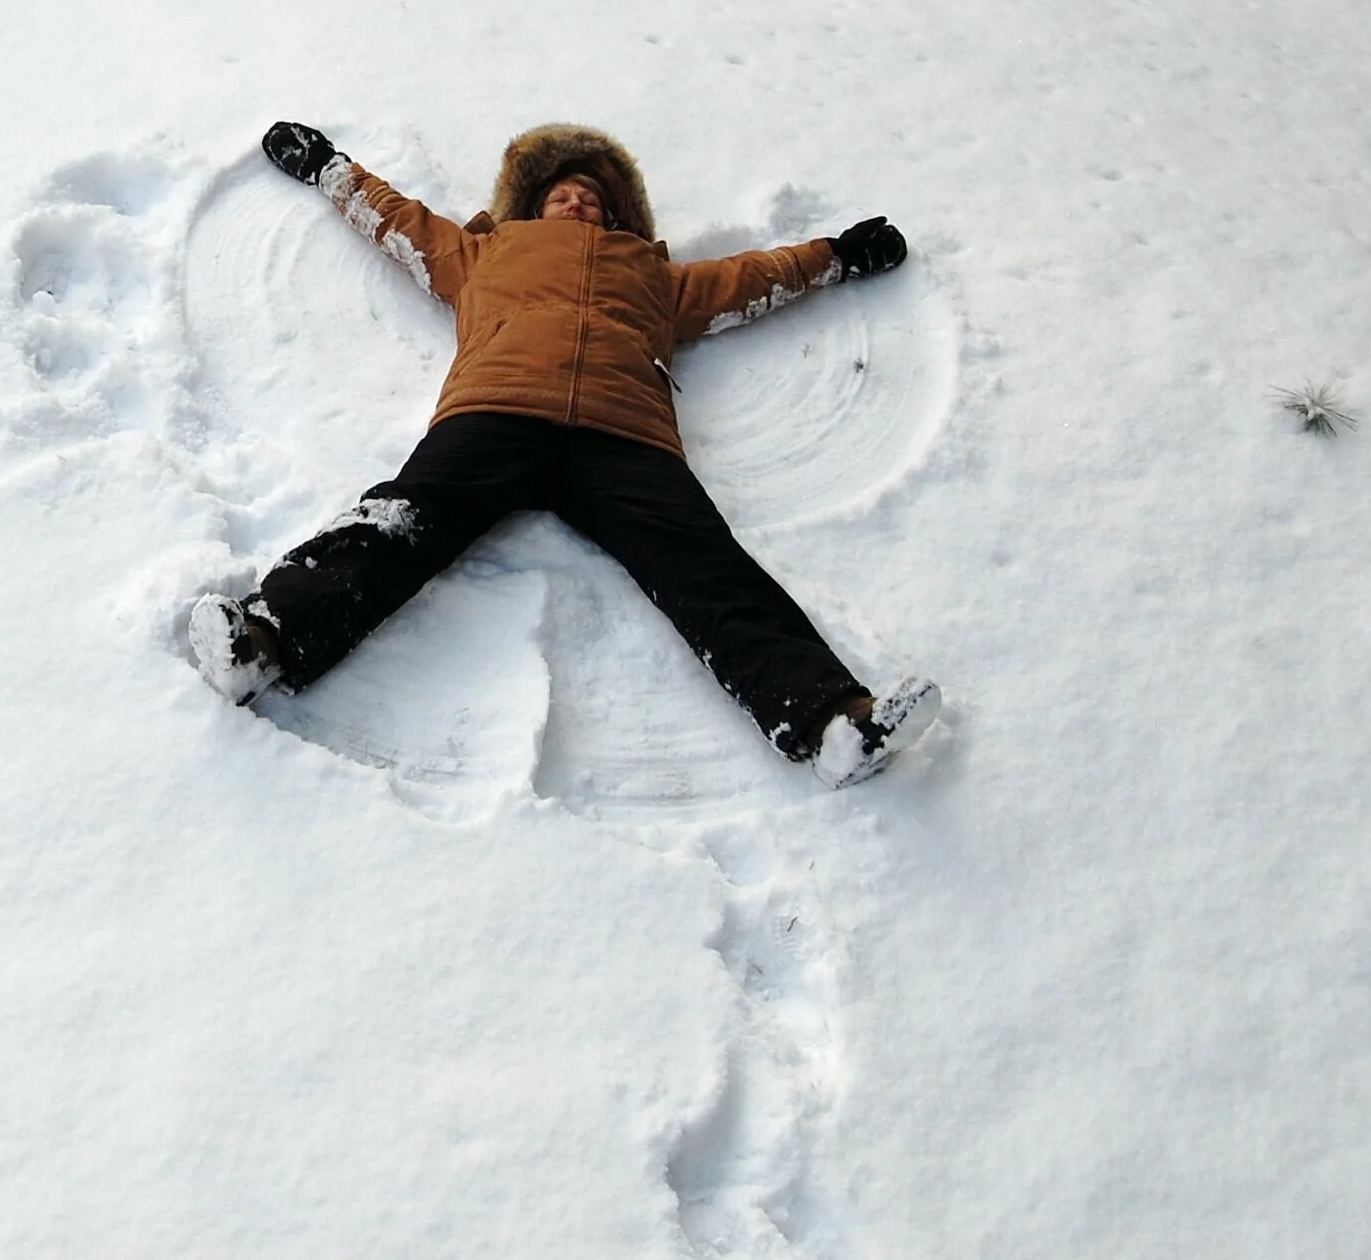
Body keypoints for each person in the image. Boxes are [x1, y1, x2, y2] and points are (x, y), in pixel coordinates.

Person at [190, 122, 941, 788]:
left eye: (590, 199)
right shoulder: (484, 251)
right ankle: (266, 639)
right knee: (398, 522)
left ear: (614, 215)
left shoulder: (655, 277)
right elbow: (398, 222)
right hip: (497, 410)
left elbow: (752, 278)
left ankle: (829, 722)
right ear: (534, 205)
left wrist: (837, 256)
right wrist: (329, 168)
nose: (577, 204)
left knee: (705, 566)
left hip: (626, 435)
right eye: (562, 196)